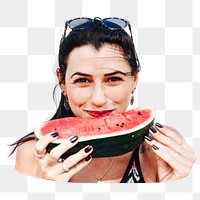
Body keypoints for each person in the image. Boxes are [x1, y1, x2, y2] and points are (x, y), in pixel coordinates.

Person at [10, 17, 195, 183]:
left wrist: (175, 188)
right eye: (82, 80)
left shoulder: (159, 151)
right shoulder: (32, 154)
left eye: (113, 79)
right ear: (62, 82)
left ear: (135, 80)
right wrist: (45, 191)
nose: (98, 99)